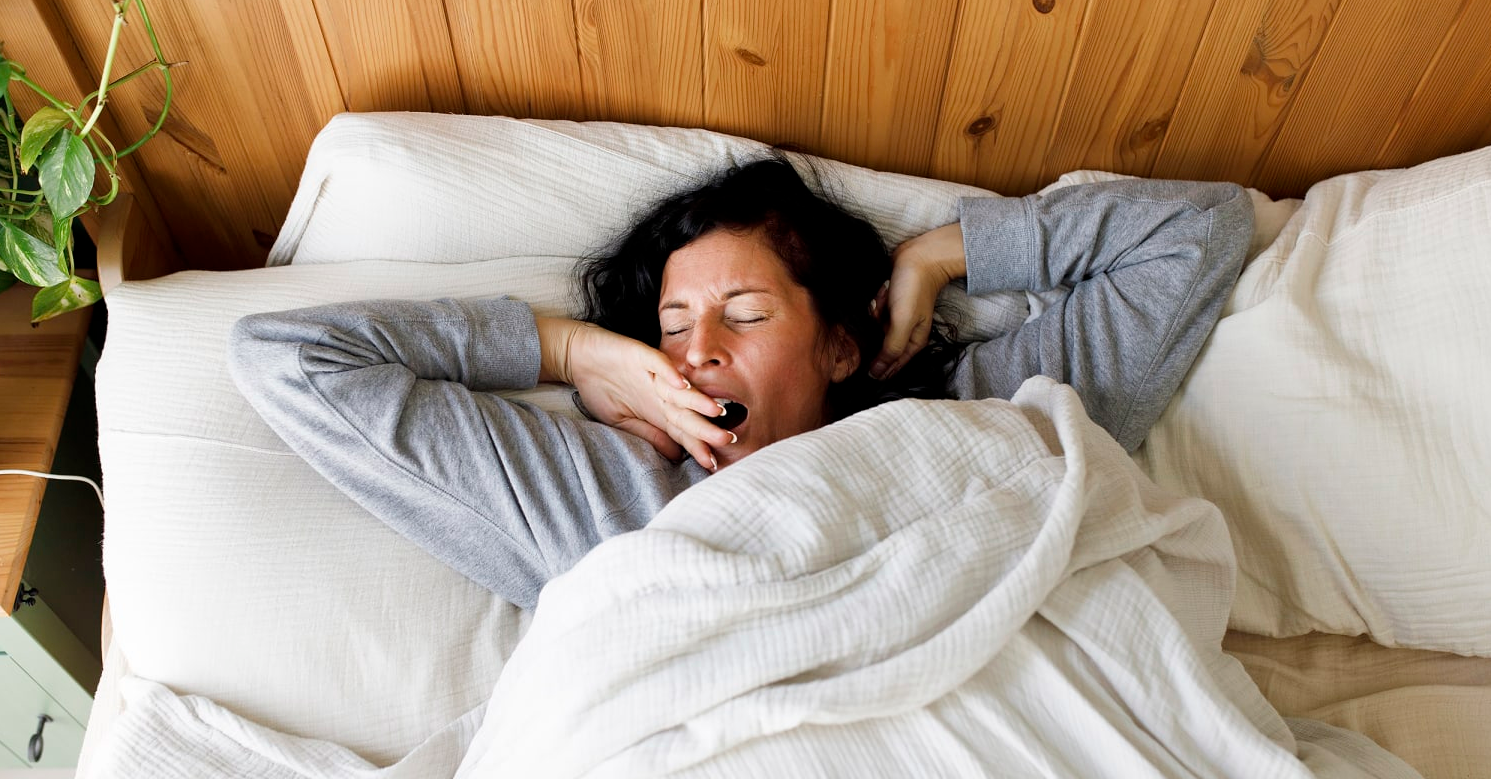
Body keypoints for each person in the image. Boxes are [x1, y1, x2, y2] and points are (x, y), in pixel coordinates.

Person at [228, 158, 1254, 609]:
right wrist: (573, 353)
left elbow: (1200, 229)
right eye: (672, 328)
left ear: (841, 347)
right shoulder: (601, 498)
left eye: (746, 313)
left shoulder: (971, 413)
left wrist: (938, 257)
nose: (697, 349)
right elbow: (289, 360)